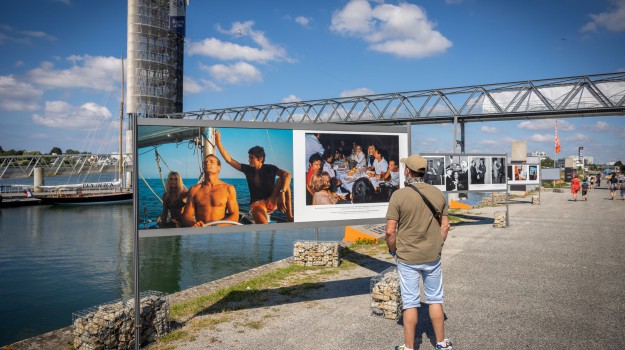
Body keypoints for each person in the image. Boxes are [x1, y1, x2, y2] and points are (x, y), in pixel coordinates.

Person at [385, 155, 453, 350]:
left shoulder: (399, 195)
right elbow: (445, 226)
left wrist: (393, 251)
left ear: (408, 171)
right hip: (432, 256)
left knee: (410, 303)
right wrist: (437, 246)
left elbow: (390, 231)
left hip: (407, 257)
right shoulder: (438, 194)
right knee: (435, 299)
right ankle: (441, 344)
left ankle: (409, 347)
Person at [215, 130, 293, 224]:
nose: (249, 160)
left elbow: (287, 175)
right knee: (263, 225)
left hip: (272, 200)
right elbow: (229, 160)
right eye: (249, 157)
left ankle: (289, 216)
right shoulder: (248, 169)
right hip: (257, 205)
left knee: (284, 179)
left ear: (261, 159)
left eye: (251, 158)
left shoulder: (270, 168)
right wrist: (218, 142)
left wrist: (282, 194)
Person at [182, 155, 239, 227]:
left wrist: (214, 226)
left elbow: (235, 216)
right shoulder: (194, 190)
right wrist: (194, 224)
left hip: (220, 231)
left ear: (219, 168)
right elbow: (187, 215)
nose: (207, 163)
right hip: (201, 231)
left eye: (212, 162)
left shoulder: (228, 189)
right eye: (205, 162)